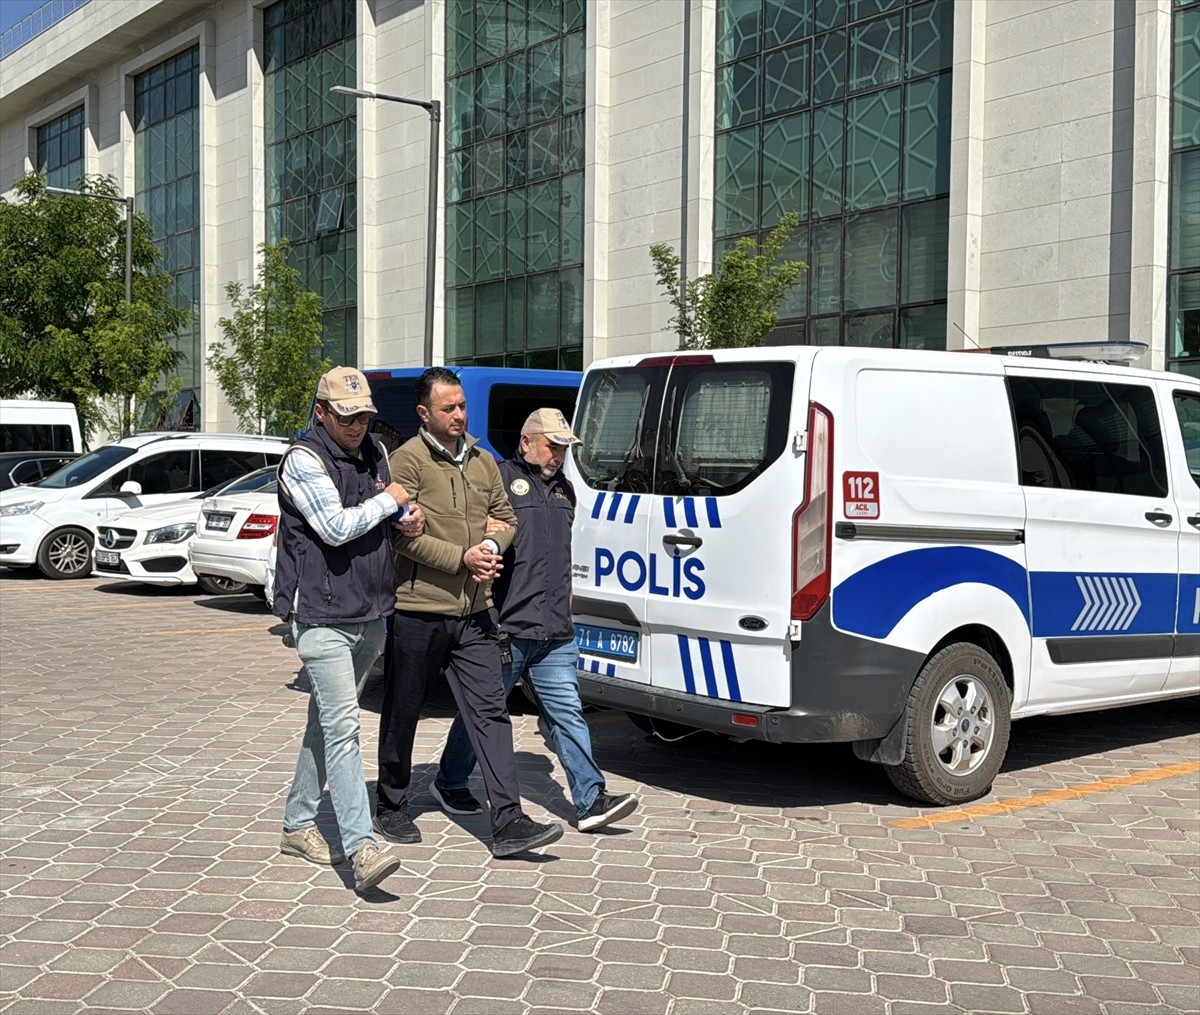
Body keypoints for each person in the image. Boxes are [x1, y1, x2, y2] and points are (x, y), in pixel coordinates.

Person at [376, 368, 564, 858]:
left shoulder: (483, 461)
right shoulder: (407, 462)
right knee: (403, 710)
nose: (459, 415)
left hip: (477, 613)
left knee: (490, 712)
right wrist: (459, 558)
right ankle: (390, 801)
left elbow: (507, 518)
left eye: (461, 405)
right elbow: (400, 536)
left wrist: (487, 544)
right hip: (420, 610)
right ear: (424, 413)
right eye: (448, 408)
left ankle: (508, 821)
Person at [431, 409, 638, 832]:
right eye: (553, 445)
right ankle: (450, 780)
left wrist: (568, 603)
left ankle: (590, 798)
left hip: (556, 629)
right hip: (508, 627)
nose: (560, 455)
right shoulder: (500, 480)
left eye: (564, 448)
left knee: (568, 713)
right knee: (483, 713)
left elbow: (562, 557)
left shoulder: (565, 490)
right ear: (527, 442)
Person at [273, 366, 424, 893]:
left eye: (363, 415)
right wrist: (391, 501)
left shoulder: (375, 454)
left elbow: (389, 513)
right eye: (346, 416)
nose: (357, 425)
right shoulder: (303, 460)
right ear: (321, 412)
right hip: (319, 614)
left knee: (325, 721)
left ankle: (296, 825)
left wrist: (408, 518)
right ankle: (362, 848)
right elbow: (335, 528)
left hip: (370, 610)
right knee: (343, 728)